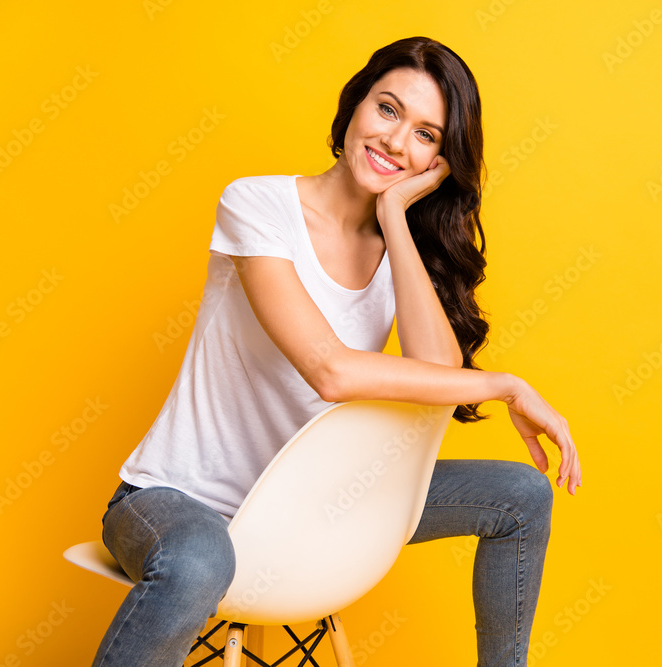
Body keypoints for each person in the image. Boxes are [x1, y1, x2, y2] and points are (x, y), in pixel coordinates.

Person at [91, 36, 582, 667]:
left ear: (440, 161)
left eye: (427, 135)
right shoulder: (258, 205)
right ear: (354, 105)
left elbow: (437, 379)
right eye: (388, 110)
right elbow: (330, 370)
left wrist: (397, 218)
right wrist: (507, 385)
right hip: (181, 501)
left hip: (313, 501)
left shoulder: (399, 253)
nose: (397, 142)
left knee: (521, 495)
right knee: (198, 559)